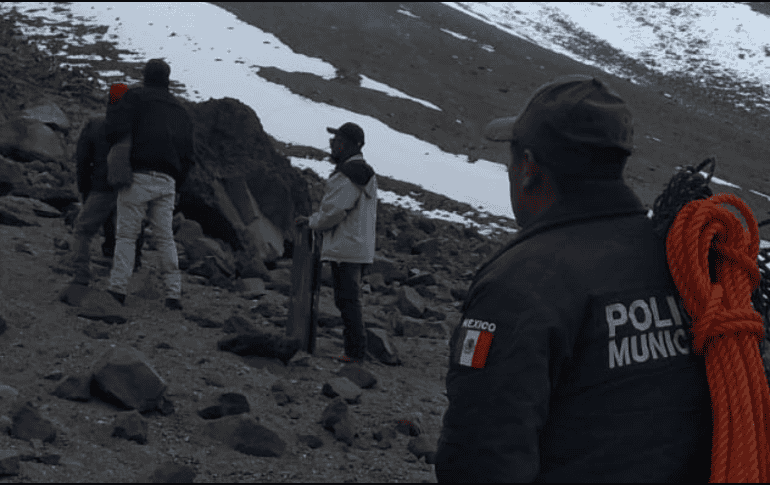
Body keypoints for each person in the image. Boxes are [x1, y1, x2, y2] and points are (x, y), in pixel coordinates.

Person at [434, 75, 712, 482]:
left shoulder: (522, 283)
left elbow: (480, 456)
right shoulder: (681, 261)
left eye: (512, 160)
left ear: (529, 168)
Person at [103, 58, 195, 311]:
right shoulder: (180, 110)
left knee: (127, 236)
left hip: (138, 175)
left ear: (145, 75)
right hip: (168, 181)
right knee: (165, 238)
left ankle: (118, 289)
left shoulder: (134, 98)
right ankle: (173, 294)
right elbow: (188, 155)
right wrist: (178, 184)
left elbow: (113, 130)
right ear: (168, 79)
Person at [295, 122, 377, 364]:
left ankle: (354, 352)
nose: (333, 144)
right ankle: (355, 349)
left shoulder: (350, 174)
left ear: (350, 145)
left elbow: (335, 211)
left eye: (338, 140)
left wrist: (312, 222)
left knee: (347, 300)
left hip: (346, 247)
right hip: (358, 246)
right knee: (350, 299)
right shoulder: (363, 172)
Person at [67, 83, 144, 291]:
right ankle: (131, 268)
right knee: (129, 231)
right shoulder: (137, 129)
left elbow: (83, 161)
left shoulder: (95, 124)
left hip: (101, 186)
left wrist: (84, 190)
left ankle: (81, 274)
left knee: (83, 230)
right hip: (128, 187)